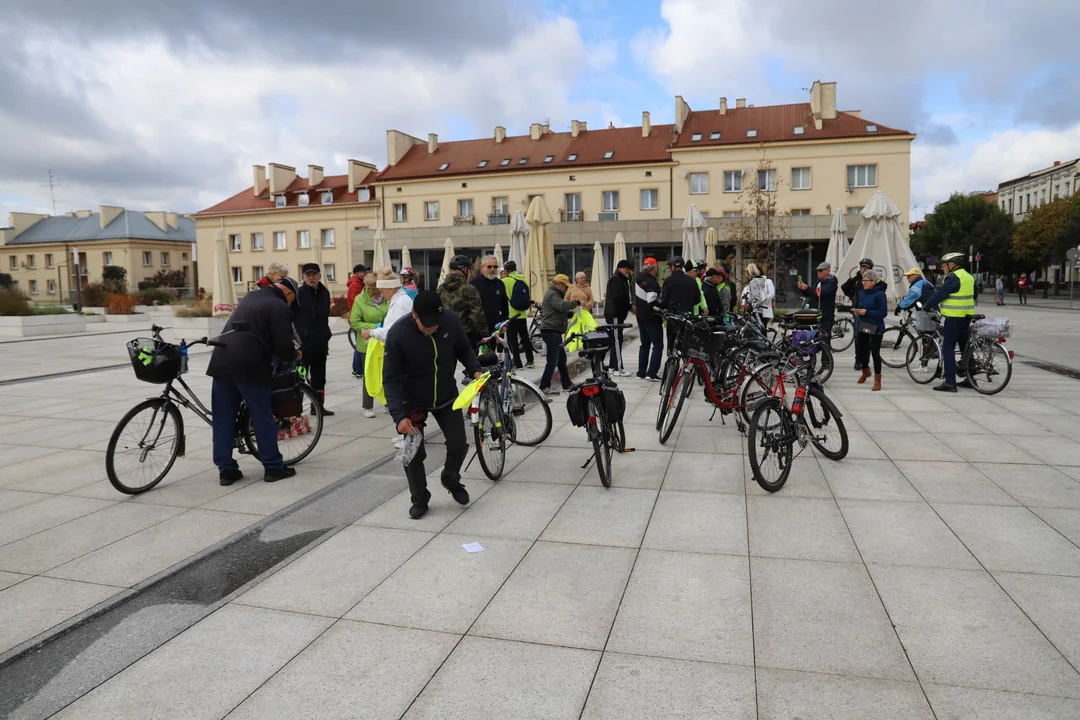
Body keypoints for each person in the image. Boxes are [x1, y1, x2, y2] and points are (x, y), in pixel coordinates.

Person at [383, 290, 482, 520]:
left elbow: (464, 350)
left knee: (459, 443)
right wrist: (399, 416)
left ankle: (451, 478)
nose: (432, 329)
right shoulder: (399, 333)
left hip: (446, 395)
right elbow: (390, 378)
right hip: (412, 400)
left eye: (435, 325)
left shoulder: (450, 321)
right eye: (426, 325)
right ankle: (419, 499)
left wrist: (475, 368)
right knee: (413, 453)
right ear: (414, 314)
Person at [206, 277, 298, 485]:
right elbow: (284, 345)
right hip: (250, 366)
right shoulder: (279, 305)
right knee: (262, 416)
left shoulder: (250, 297)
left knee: (222, 418)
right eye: (292, 301)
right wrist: (293, 354)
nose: (290, 305)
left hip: (222, 360)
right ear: (289, 294)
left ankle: (226, 470)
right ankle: (273, 467)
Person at [923, 252, 976, 393]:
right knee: (965, 348)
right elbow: (974, 295)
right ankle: (971, 379)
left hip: (954, 317)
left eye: (944, 265)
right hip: (967, 316)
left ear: (952, 265)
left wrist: (927, 305)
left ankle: (950, 382)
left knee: (948, 347)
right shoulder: (969, 277)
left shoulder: (953, 277)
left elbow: (941, 293)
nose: (943, 268)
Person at [294, 263, 334, 416]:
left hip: (320, 344)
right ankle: (296, 410)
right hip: (303, 347)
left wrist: (326, 334)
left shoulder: (324, 293)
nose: (311, 278)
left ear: (319, 276)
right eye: (308, 275)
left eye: (314, 275)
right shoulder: (298, 293)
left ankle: (317, 407)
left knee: (319, 378)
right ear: (303, 277)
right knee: (300, 377)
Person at [349, 273, 389, 415]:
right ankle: (368, 406)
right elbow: (354, 321)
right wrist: (376, 326)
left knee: (387, 373)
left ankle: (387, 402)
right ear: (366, 287)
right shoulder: (360, 300)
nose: (375, 292)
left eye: (377, 288)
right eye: (372, 289)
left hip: (385, 342)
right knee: (369, 374)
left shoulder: (387, 298)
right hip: (367, 344)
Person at [539, 274, 580, 395]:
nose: (566, 289)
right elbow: (561, 306)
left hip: (554, 330)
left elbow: (556, 312)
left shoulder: (555, 294)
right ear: (559, 284)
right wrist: (575, 303)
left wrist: (570, 315)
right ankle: (544, 386)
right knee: (552, 360)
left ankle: (567, 384)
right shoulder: (552, 294)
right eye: (565, 286)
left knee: (561, 359)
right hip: (550, 331)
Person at [438, 255, 487, 350]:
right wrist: (484, 333)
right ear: (464, 269)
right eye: (469, 269)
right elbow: (476, 315)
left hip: (445, 334)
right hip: (466, 335)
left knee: (448, 364)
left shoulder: (441, 288)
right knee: (472, 363)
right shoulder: (469, 289)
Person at [852, 270, 888, 391]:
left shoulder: (880, 294)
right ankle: (865, 370)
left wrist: (867, 312)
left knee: (875, 352)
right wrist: (858, 311)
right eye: (863, 280)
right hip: (865, 324)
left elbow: (883, 313)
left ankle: (878, 380)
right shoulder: (862, 293)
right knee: (862, 350)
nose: (864, 283)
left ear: (873, 282)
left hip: (877, 326)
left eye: (866, 281)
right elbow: (862, 306)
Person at [842, 258, 875, 368]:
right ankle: (858, 360)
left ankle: (866, 360)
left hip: (868, 312)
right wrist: (852, 296)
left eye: (866, 267)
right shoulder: (856, 278)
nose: (863, 269)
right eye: (862, 267)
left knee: (868, 336)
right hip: (857, 312)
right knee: (858, 336)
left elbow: (882, 288)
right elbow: (844, 287)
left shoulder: (873, 280)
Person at [660, 256, 701, 348]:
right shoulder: (692, 281)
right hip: (688, 316)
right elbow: (697, 299)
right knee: (687, 344)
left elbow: (664, 300)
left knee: (672, 343)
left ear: (673, 267)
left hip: (673, 317)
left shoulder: (668, 281)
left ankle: (672, 360)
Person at [634, 258, 664, 381]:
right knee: (657, 345)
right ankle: (651, 373)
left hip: (640, 315)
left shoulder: (638, 278)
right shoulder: (651, 282)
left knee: (644, 345)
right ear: (654, 268)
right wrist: (662, 306)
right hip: (652, 317)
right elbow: (651, 300)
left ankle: (641, 372)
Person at [501, 261, 534, 369]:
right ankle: (530, 360)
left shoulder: (505, 281)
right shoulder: (523, 279)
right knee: (525, 338)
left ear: (506, 270)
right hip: (522, 314)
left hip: (511, 314)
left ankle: (517, 363)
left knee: (512, 339)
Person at [605, 260, 633, 376]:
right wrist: (630, 307)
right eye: (627, 269)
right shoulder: (617, 279)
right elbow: (619, 298)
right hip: (614, 313)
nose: (628, 271)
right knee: (617, 340)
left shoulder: (621, 279)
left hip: (616, 314)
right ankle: (618, 368)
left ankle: (612, 366)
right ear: (621, 268)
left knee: (615, 340)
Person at [471, 255, 509, 335]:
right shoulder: (474, 284)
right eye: (489, 267)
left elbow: (504, 306)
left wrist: (504, 324)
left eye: (495, 267)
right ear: (482, 268)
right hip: (478, 328)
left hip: (496, 327)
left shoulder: (500, 284)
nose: (492, 269)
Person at [799, 262, 839, 337]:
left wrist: (807, 288)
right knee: (814, 337)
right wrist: (803, 289)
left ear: (827, 271)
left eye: (820, 270)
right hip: (816, 313)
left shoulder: (832, 281)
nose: (818, 273)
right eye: (817, 271)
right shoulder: (818, 281)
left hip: (825, 314)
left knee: (824, 337)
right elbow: (812, 294)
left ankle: (826, 348)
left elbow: (821, 293)